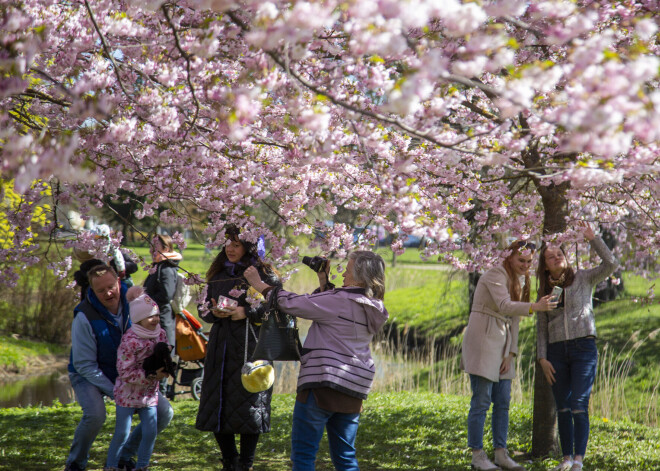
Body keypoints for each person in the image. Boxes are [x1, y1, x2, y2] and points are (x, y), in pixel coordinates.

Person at [244, 250, 389, 471]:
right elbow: (329, 309)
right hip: (354, 385)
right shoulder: (372, 305)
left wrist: (259, 284)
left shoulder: (340, 300)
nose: (343, 275)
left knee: (303, 455)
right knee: (345, 457)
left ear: (360, 277)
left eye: (348, 272)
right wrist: (323, 280)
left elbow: (292, 303)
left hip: (322, 383)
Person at [65, 264, 173, 471]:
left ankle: (124, 457)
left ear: (118, 282)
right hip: (89, 374)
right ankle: (76, 463)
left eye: (111, 286)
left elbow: (155, 334)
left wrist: (160, 364)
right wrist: (116, 389)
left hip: (131, 374)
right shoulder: (84, 316)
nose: (108, 293)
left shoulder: (136, 302)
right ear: (92, 291)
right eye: (100, 290)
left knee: (164, 412)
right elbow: (84, 364)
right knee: (96, 415)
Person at [461, 240, 557, 471]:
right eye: (520, 260)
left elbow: (513, 318)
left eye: (528, 262)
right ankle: (477, 455)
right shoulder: (496, 273)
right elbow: (505, 306)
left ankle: (501, 453)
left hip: (503, 343)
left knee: (503, 401)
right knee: (482, 400)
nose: (525, 265)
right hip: (484, 338)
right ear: (509, 257)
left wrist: (510, 353)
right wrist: (534, 307)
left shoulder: (520, 279)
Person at [195, 227, 280, 471]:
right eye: (227, 244)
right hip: (220, 348)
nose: (229, 249)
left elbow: (277, 309)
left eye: (236, 244)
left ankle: (247, 463)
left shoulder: (265, 275)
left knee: (249, 405)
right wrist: (213, 312)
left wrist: (246, 311)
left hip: (251, 348)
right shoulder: (219, 274)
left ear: (250, 247)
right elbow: (204, 310)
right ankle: (229, 461)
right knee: (217, 404)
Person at [536, 222, 618, 471]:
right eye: (550, 256)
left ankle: (578, 460)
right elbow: (540, 327)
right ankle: (566, 458)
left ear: (565, 256)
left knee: (579, 404)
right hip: (556, 352)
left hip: (583, 348)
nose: (556, 257)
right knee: (563, 405)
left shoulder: (583, 277)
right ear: (545, 265)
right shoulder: (545, 290)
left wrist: (594, 239)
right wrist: (542, 358)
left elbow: (611, 264)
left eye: (559, 253)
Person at [105, 287, 170, 471]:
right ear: (138, 318)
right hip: (127, 394)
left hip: (148, 394)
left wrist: (166, 365)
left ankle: (142, 466)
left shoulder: (160, 334)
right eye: (151, 316)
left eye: (157, 315)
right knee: (122, 433)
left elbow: (164, 355)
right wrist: (150, 375)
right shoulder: (130, 339)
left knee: (150, 431)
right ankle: (111, 466)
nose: (156, 319)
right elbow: (124, 371)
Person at [143, 234, 182, 393]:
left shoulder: (165, 269)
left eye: (155, 246)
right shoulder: (158, 266)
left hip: (162, 323)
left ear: (165, 248)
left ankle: (161, 397)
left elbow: (166, 296)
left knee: (161, 360)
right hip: (154, 320)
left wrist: (144, 300)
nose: (152, 250)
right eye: (151, 246)